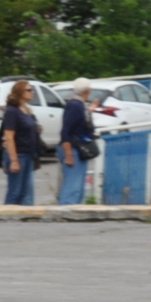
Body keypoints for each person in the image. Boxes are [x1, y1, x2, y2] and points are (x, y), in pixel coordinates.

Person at [0, 78, 41, 206]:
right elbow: (9, 136)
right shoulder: (12, 111)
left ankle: (27, 220)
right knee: (15, 191)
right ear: (20, 92)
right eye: (29, 90)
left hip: (29, 154)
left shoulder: (26, 110)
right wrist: (14, 160)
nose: (32, 92)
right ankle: (7, 218)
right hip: (19, 155)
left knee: (27, 192)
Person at [58, 77, 95, 206]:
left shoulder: (80, 105)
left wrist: (90, 110)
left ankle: (74, 209)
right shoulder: (75, 106)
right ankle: (66, 209)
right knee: (72, 186)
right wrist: (68, 154)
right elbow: (66, 131)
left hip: (78, 149)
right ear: (87, 90)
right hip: (73, 149)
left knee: (78, 186)